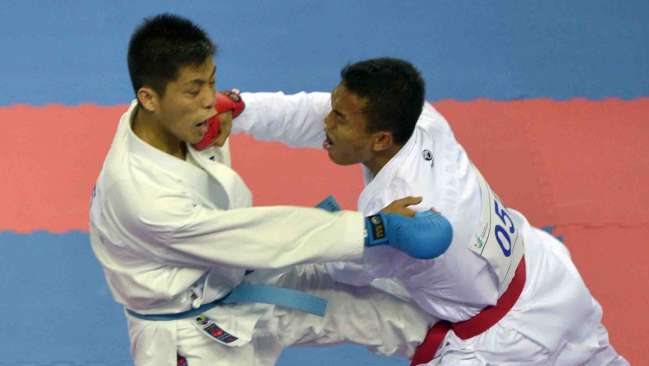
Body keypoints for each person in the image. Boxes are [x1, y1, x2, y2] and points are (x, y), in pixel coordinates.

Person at [89, 15, 455, 366]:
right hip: (189, 335)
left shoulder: (166, 119)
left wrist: (234, 108)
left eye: (211, 84)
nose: (207, 100)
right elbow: (259, 234)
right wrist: (373, 229)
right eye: (193, 90)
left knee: (417, 324)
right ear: (150, 98)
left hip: (241, 281)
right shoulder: (142, 196)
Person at [229, 57, 629, 365]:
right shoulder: (421, 119)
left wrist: (258, 249)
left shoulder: (402, 207)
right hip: (549, 276)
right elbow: (310, 113)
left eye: (339, 118)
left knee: (305, 281)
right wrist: (242, 111)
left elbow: (342, 264)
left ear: (381, 139)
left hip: (504, 341)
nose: (326, 123)